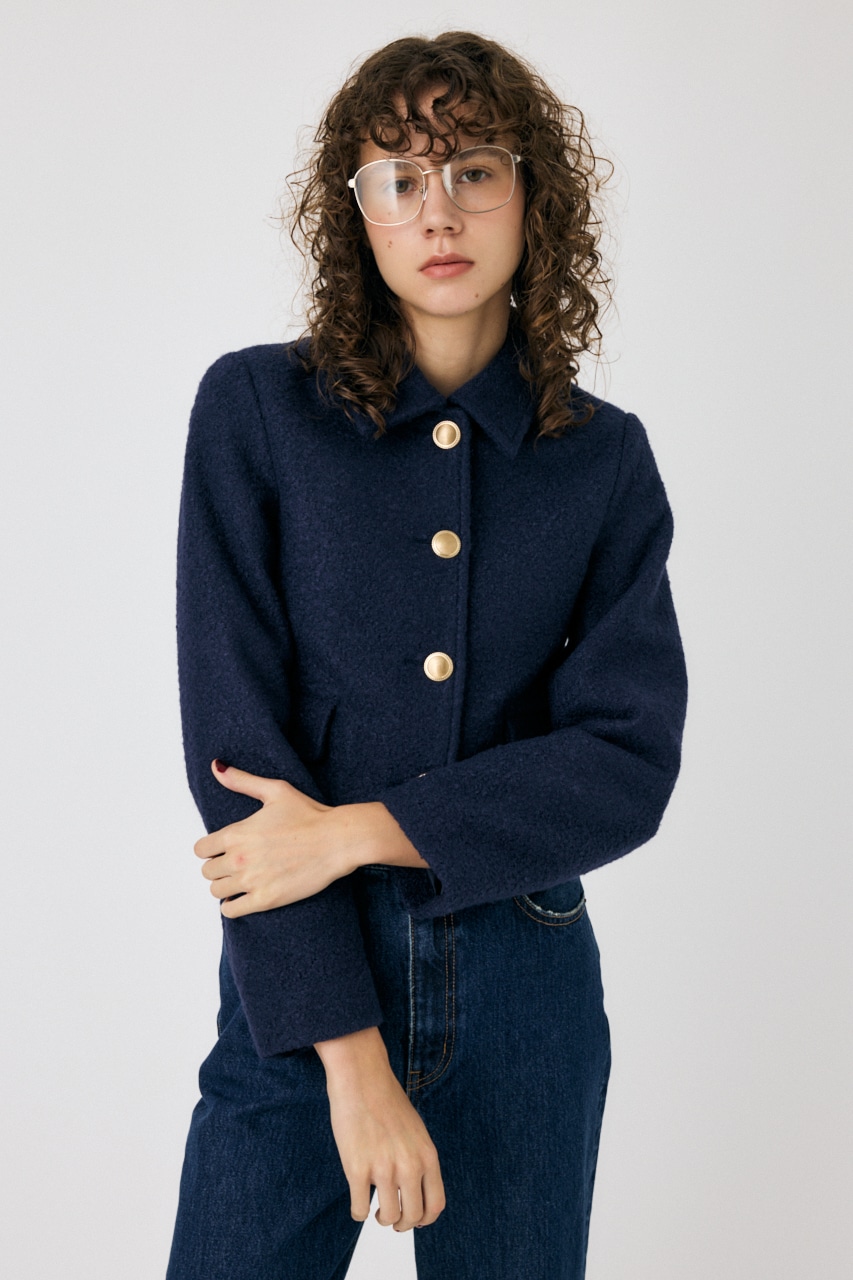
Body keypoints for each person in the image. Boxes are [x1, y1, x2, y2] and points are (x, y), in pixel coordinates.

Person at [165, 30, 688, 1280]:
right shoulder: (257, 412)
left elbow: (626, 761)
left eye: (472, 170)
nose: (436, 211)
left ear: (531, 196)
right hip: (301, 987)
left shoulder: (601, 458)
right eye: (397, 178)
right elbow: (239, 769)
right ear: (356, 215)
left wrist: (356, 829)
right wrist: (350, 1061)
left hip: (527, 986)